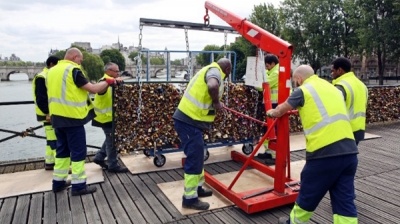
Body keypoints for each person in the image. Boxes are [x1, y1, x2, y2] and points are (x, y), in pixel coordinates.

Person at [267, 65, 358, 224]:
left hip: (324, 153)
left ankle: (292, 223)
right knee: (344, 199)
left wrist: (271, 112)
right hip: (350, 152)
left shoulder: (304, 90)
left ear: (299, 79)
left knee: (308, 193)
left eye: (295, 81)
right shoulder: (332, 88)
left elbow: (281, 109)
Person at [47, 47, 120, 196]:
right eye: (80, 60)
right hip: (72, 118)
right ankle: (79, 185)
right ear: (74, 57)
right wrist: (109, 81)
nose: (81, 62)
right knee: (78, 152)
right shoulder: (72, 70)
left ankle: (58, 182)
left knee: (62, 151)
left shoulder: (52, 71)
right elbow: (93, 89)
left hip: (57, 117)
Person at [173, 58, 232, 211]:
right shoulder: (215, 72)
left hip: (192, 121)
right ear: (227, 69)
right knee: (194, 157)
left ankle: (198, 188)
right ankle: (190, 198)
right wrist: (217, 102)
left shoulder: (209, 69)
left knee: (198, 155)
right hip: (188, 121)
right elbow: (212, 85)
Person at [92, 62, 128, 173]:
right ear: (109, 71)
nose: (118, 73)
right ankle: (113, 165)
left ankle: (99, 157)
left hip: (107, 117)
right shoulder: (104, 82)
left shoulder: (112, 81)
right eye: (116, 71)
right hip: (106, 117)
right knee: (112, 141)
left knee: (110, 138)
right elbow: (100, 90)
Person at [331, 57, 368, 145]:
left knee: (341, 158)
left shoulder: (340, 86)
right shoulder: (362, 85)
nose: (331, 74)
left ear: (340, 70)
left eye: (333, 71)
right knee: (351, 157)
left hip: (344, 131)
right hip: (359, 129)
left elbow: (332, 110)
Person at [32, 56, 60, 170]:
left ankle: (49, 162)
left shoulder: (46, 76)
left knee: (50, 140)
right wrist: (47, 112)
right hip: (48, 114)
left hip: (48, 113)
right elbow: (41, 98)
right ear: (52, 64)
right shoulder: (42, 77)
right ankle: (60, 165)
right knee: (54, 140)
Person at [257, 54, 279, 164]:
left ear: (273, 64)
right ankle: (269, 151)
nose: (266, 67)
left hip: (276, 106)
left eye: (267, 65)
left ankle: (275, 156)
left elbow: (263, 85)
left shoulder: (276, 73)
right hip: (270, 105)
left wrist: (255, 83)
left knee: (274, 131)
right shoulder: (271, 72)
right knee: (267, 129)